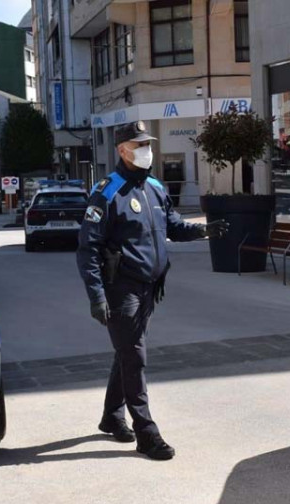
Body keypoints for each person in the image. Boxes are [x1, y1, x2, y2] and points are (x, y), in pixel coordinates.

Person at [76, 121, 229, 461]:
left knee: (127, 352)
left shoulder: (156, 187)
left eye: (148, 144)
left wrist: (204, 231)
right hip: (121, 287)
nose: (147, 150)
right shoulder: (107, 192)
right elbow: (87, 249)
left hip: (149, 287)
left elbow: (172, 226)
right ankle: (146, 432)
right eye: (139, 145)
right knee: (135, 356)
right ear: (122, 150)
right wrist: (96, 295)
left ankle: (112, 417)